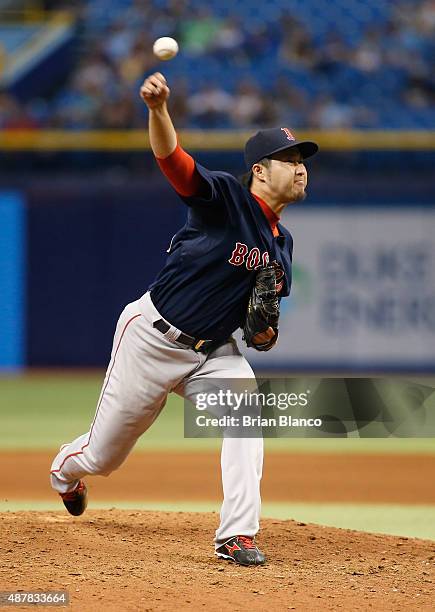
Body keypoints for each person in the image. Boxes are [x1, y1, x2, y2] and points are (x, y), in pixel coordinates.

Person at [49, 72, 318, 567]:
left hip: (213, 353)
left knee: (246, 418)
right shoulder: (226, 199)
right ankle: (64, 473)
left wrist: (263, 331)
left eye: (304, 162)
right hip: (153, 339)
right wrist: (158, 111)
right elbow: (175, 164)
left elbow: (262, 333)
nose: (301, 170)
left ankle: (236, 534)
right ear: (260, 170)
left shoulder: (283, 247)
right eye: (291, 160)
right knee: (103, 458)